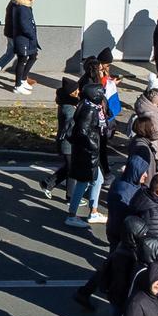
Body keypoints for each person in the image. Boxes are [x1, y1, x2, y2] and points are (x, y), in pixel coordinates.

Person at [64, 82, 109, 227]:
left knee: (97, 180)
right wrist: (94, 145)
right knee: (83, 183)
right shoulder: (90, 110)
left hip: (86, 153)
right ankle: (72, 215)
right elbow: (82, 132)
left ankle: (92, 211)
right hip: (87, 154)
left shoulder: (88, 106)